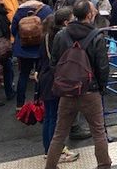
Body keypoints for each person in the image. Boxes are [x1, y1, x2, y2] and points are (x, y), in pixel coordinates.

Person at [45, 0, 111, 169]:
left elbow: (54, 63)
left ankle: (51, 166)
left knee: (59, 134)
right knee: (98, 132)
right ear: (89, 15)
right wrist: (101, 87)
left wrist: (63, 82)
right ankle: (104, 165)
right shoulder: (97, 36)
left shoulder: (61, 35)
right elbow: (103, 67)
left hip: (67, 91)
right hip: (90, 90)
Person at [37, 9, 79, 163]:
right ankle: (57, 152)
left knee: (49, 116)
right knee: (56, 118)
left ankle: (49, 150)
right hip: (56, 79)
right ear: (66, 22)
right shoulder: (62, 37)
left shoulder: (46, 36)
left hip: (45, 77)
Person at [11, 0, 53, 110]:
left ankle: (20, 104)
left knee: (23, 75)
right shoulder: (46, 9)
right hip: (40, 46)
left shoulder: (20, 9)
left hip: (23, 47)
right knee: (40, 74)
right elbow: (50, 26)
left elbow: (14, 29)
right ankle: (38, 101)